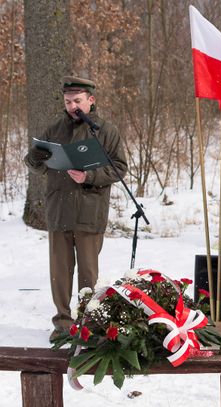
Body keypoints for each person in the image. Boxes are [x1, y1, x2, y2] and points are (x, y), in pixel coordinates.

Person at [24, 76, 128, 341]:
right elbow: (36, 163)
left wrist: (89, 177)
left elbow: (120, 168)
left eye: (78, 101)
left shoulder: (105, 131)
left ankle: (87, 322)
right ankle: (62, 323)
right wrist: (34, 158)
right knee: (59, 271)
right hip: (59, 208)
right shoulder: (54, 129)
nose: (73, 106)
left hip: (89, 210)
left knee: (88, 271)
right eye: (68, 101)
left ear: (91, 101)